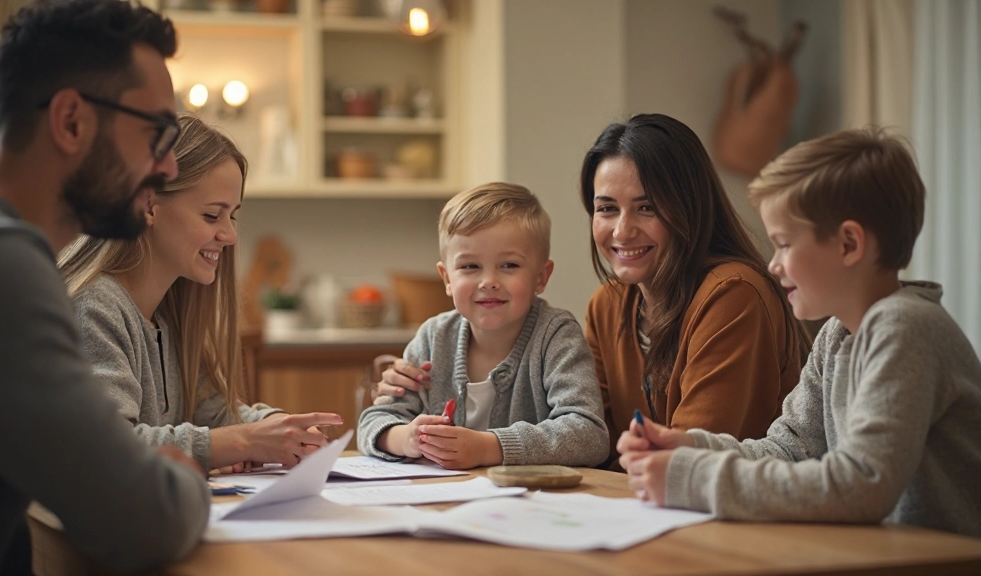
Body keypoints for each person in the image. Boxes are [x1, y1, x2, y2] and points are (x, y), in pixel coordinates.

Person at [376, 114, 809, 466]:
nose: (622, 230)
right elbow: (581, 427)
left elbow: (684, 454)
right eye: (606, 209)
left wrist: (489, 445)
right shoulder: (611, 303)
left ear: (688, 208)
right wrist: (404, 400)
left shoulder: (733, 294)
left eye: (647, 207)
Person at [619, 128, 981, 537]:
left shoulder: (905, 329)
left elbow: (862, 484)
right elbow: (787, 450)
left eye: (785, 244)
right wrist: (690, 447)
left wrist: (693, 478)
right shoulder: (836, 335)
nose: (773, 265)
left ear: (848, 244)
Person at [0, 1, 210, 574]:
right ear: (71, 121)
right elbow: (146, 519)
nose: (168, 167)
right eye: (158, 134)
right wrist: (180, 476)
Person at [60, 115, 343, 473]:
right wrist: (246, 441)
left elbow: (216, 415)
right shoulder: (93, 307)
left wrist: (284, 426)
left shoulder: (168, 317)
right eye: (212, 215)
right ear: (148, 205)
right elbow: (108, 445)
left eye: (232, 216)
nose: (230, 235)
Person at [358, 183, 609, 469]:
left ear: (541, 277)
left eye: (509, 265)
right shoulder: (432, 337)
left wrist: (489, 448)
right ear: (447, 279)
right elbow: (372, 423)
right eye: (470, 267)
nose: (488, 281)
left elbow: (589, 435)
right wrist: (406, 438)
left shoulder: (556, 335)